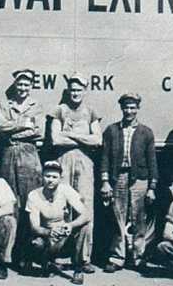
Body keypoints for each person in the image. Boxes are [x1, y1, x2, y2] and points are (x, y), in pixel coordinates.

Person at [48, 73, 102, 273]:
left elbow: (97, 140)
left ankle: (82, 259)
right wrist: (83, 137)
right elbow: (55, 139)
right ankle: (56, 256)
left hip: (85, 163)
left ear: (85, 91)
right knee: (61, 208)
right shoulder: (59, 111)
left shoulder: (91, 112)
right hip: (64, 162)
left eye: (79, 89)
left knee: (84, 207)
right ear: (68, 91)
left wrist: (69, 133)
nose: (76, 93)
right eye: (72, 89)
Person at [100, 92, 158, 273]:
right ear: (121, 108)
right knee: (118, 217)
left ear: (138, 109)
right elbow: (104, 158)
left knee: (139, 219)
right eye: (126, 107)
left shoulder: (146, 133)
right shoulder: (111, 130)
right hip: (119, 178)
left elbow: (152, 161)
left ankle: (138, 257)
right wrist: (105, 181)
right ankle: (117, 258)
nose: (129, 111)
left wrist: (152, 187)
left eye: (133, 107)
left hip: (139, 179)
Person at [0, 68, 44, 269]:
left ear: (31, 86)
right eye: (20, 84)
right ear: (15, 85)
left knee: (29, 204)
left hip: (30, 157)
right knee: (10, 202)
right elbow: (1, 128)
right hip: (9, 157)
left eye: (27, 84)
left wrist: (14, 132)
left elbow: (39, 132)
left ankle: (27, 254)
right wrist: (24, 125)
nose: (23, 88)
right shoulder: (4, 104)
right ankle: (7, 256)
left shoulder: (37, 106)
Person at [26, 161, 91, 285]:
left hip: (63, 236)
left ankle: (78, 269)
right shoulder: (34, 195)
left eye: (54, 177)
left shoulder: (65, 190)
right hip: (46, 237)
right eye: (47, 176)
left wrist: (70, 225)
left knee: (84, 227)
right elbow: (34, 227)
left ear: (60, 178)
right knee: (36, 243)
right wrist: (49, 232)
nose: (50, 180)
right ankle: (46, 263)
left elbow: (86, 215)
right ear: (42, 176)